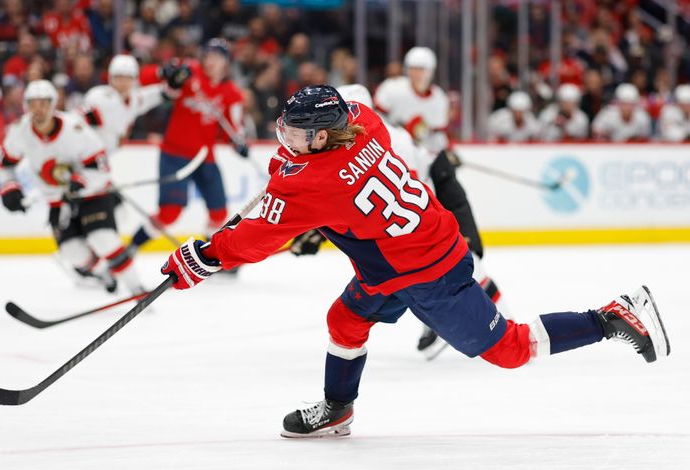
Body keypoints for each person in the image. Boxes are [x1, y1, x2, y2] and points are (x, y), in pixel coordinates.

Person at [159, 85, 670, 438]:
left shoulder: (313, 183)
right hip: (401, 258)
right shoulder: (364, 122)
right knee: (346, 317)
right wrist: (288, 170)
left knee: (510, 349)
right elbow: (327, 147)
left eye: (294, 133)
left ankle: (611, 317)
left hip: (426, 273)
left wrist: (198, 259)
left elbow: (253, 241)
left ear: (320, 137)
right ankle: (338, 410)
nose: (285, 139)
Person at [337, 81, 511, 358]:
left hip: (421, 220)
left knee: (448, 270)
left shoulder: (390, 140)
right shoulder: (374, 139)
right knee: (425, 277)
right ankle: (480, 325)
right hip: (412, 220)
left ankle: (504, 328)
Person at [0, 80, 144, 295]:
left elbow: (101, 166)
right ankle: (104, 272)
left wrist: (81, 182)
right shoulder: (19, 131)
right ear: (26, 106)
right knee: (72, 252)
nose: (38, 109)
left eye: (44, 103)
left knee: (102, 239)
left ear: (54, 104)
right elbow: (5, 165)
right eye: (33, 104)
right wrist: (10, 189)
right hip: (58, 201)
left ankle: (136, 288)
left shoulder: (74, 128)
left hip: (91, 195)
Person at [129, 38, 246, 252]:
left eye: (217, 57)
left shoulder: (232, 93)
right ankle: (132, 247)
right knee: (169, 214)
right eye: (208, 55)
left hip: (205, 158)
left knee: (219, 213)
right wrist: (165, 72)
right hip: (175, 155)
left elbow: (234, 129)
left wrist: (239, 144)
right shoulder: (190, 71)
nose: (210, 61)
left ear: (226, 62)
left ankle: (209, 254)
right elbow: (143, 78)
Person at [81, 54, 169, 155]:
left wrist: (173, 82)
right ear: (111, 77)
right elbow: (79, 122)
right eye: (119, 77)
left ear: (135, 79)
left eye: (128, 78)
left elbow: (156, 94)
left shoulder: (134, 99)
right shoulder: (99, 97)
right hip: (92, 154)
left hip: (113, 155)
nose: (123, 82)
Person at [374, 47, 450, 153]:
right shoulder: (392, 88)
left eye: (421, 69)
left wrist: (443, 152)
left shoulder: (439, 98)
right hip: (393, 148)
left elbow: (437, 136)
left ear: (431, 71)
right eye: (413, 68)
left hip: (423, 153)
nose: (416, 73)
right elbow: (377, 119)